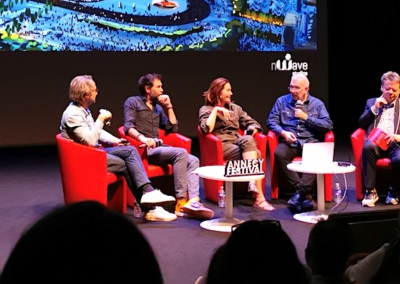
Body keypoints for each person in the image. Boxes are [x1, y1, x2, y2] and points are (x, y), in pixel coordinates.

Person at [60, 74, 177, 222]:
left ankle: (149, 198)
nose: (97, 92)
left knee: (129, 150)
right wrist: (101, 119)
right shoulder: (72, 114)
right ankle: (149, 203)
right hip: (86, 157)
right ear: (86, 94)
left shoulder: (83, 110)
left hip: (94, 152)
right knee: (126, 162)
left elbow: (97, 132)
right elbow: (90, 140)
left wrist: (116, 141)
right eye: (95, 90)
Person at [0, 201, 163, 284]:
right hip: (96, 153)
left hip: (106, 150)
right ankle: (147, 193)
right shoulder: (77, 132)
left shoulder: (33, 248)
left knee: (129, 154)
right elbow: (91, 138)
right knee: (129, 157)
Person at [123, 73, 213, 220]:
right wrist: (143, 138)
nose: (162, 90)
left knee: (193, 160)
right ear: (147, 88)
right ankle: (180, 201)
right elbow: (128, 127)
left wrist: (169, 106)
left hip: (160, 148)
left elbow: (172, 128)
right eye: (158, 87)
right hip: (144, 149)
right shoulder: (132, 102)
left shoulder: (157, 108)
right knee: (181, 153)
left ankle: (194, 201)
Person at [198, 77, 274, 211]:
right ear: (218, 92)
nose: (231, 93)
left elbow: (253, 123)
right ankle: (259, 198)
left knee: (249, 140)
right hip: (221, 145)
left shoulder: (235, 108)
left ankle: (251, 182)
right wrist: (216, 111)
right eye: (227, 90)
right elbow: (206, 129)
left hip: (237, 140)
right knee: (256, 153)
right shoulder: (206, 109)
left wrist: (251, 130)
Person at [266, 71, 333, 213]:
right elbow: (271, 121)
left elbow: (328, 125)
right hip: (291, 142)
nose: (293, 91)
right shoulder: (281, 101)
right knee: (279, 153)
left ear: (306, 89)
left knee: (317, 158)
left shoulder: (317, 104)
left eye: (297, 88)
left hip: (310, 142)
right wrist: (283, 132)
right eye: (291, 87)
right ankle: (304, 195)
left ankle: (298, 195)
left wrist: (306, 117)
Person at [358, 71, 400, 207]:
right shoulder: (371, 102)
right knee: (367, 147)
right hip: (376, 142)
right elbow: (362, 124)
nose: (391, 92)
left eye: (395, 89)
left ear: (399, 90)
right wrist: (375, 108)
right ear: (382, 88)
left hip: (396, 143)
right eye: (388, 89)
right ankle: (370, 191)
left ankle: (393, 191)